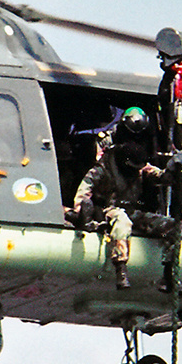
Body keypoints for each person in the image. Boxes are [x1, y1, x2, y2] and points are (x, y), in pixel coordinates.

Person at [71, 107, 164, 289]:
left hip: (133, 209)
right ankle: (121, 269)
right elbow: (84, 191)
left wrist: (174, 171)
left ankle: (169, 273)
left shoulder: (139, 163)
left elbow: (159, 176)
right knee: (123, 222)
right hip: (111, 209)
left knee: (169, 225)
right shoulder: (104, 166)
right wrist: (79, 212)